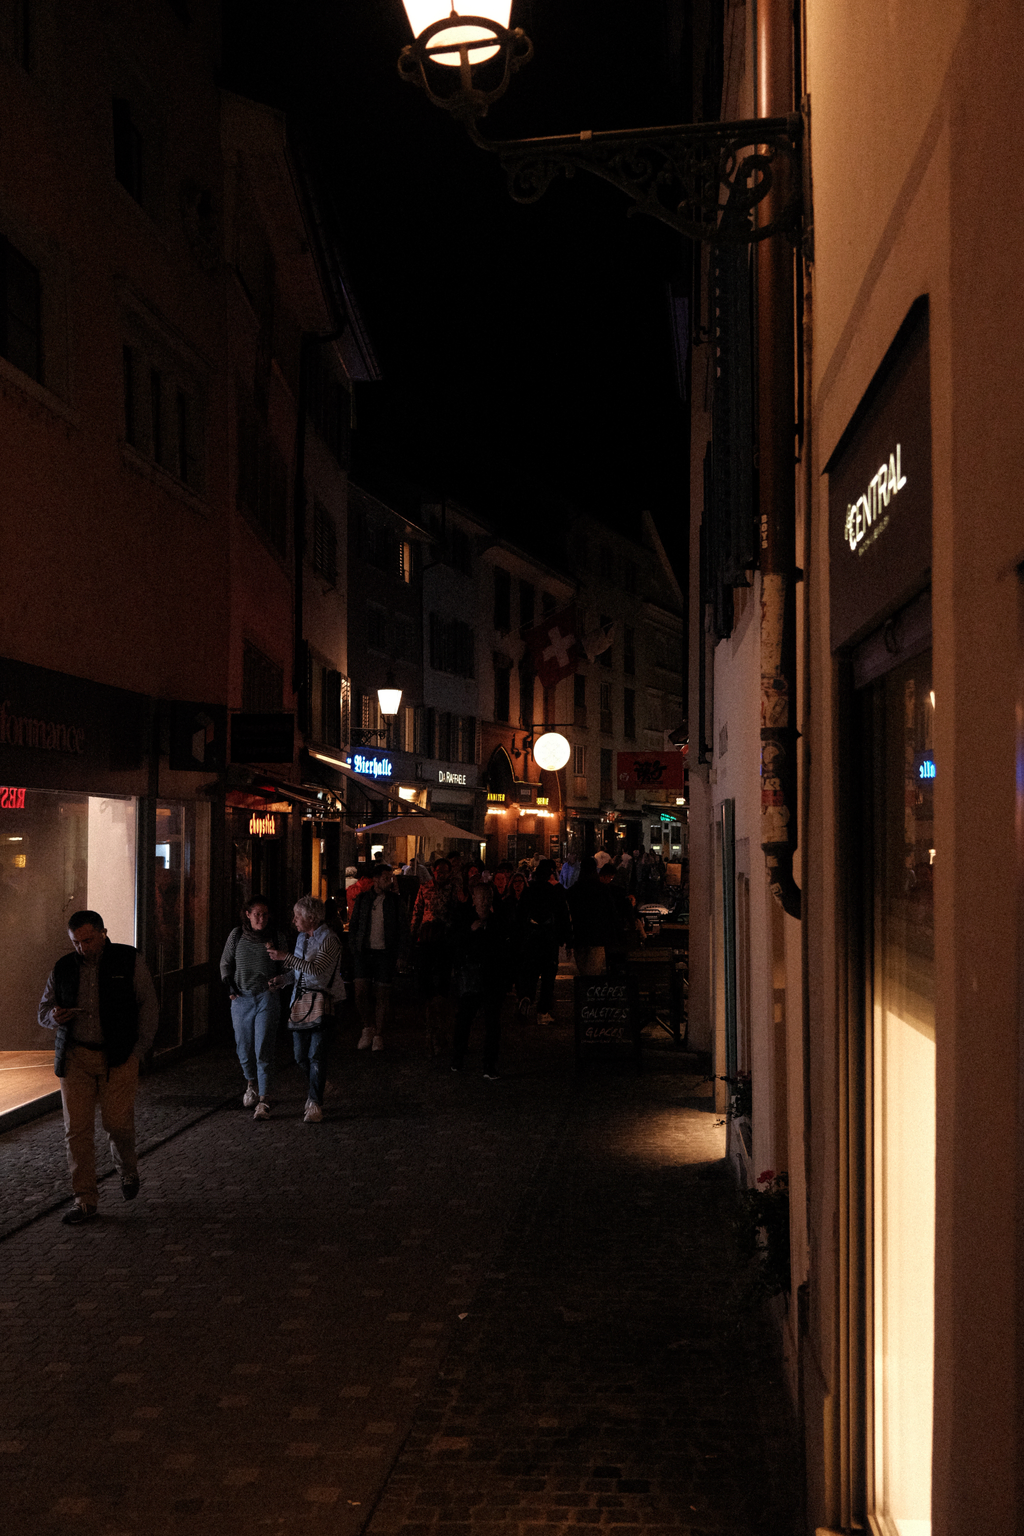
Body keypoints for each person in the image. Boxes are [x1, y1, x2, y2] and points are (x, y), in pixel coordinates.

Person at [37, 909, 159, 1225]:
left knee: (117, 1123)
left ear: (103, 933)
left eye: (88, 940)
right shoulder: (64, 967)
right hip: (76, 1057)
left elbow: (148, 1004)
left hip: (117, 1056)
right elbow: (43, 1009)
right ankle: (85, 1200)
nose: (83, 947)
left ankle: (127, 1169)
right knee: (76, 1130)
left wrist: (139, 1051)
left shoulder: (128, 960)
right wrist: (55, 1017)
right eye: (76, 942)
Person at [266, 895, 345, 1123]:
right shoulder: (302, 938)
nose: (294, 921)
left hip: (324, 1003)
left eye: (297, 916)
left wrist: (286, 957)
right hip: (300, 1003)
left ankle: (314, 1102)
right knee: (300, 1056)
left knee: (316, 1055)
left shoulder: (330, 940)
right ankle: (318, 1084)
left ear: (311, 917)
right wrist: (283, 979)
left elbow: (317, 970)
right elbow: (301, 972)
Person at [219, 894, 288, 1120]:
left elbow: (289, 966)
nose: (261, 919)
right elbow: (225, 962)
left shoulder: (276, 937)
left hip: (266, 997)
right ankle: (251, 1083)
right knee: (244, 1048)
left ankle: (264, 1100)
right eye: (257, 914)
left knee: (263, 1048)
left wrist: (280, 977)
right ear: (247, 915)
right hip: (241, 998)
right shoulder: (237, 935)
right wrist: (229, 985)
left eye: (265, 915)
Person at [450, 882, 510, 1079]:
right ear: (473, 900)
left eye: (487, 897)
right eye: (480, 898)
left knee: (492, 1023)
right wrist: (471, 931)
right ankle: (458, 1058)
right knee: (464, 1019)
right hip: (472, 977)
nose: (484, 901)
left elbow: (504, 949)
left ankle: (489, 1064)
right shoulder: (464, 919)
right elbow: (455, 945)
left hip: (492, 977)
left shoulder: (497, 921)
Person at [349, 863, 401, 1051]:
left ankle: (378, 1033)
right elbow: (354, 924)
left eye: (391, 877)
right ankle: (367, 1026)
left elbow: (402, 927)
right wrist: (354, 947)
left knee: (382, 994)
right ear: (376, 879)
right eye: (386, 877)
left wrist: (401, 953)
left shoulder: (394, 901)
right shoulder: (363, 899)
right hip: (364, 951)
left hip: (385, 952)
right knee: (360, 992)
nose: (390, 881)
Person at [513, 858, 572, 1023]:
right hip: (549, 938)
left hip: (531, 938)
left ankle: (526, 997)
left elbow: (519, 916)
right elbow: (563, 916)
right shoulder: (554, 891)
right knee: (548, 977)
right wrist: (567, 940)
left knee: (530, 973)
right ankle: (543, 1011)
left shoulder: (528, 891)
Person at [410, 858, 459, 1054]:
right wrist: (413, 934)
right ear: (433, 870)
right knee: (426, 987)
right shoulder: (424, 887)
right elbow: (417, 911)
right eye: (439, 871)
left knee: (443, 988)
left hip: (444, 941)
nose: (442, 874)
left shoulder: (453, 889)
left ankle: (442, 1031)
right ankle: (431, 1030)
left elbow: (456, 913)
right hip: (426, 939)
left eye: (445, 871)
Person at [567, 856, 617, 974]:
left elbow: (568, 915)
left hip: (580, 936)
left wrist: (569, 940)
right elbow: (611, 912)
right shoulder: (603, 889)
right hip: (598, 936)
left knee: (584, 971)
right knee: (593, 973)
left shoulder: (574, 890)